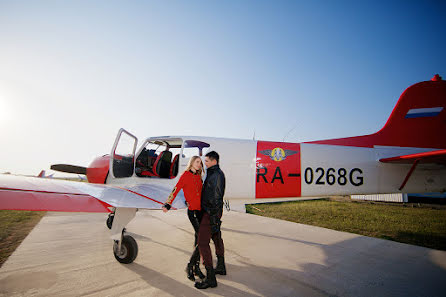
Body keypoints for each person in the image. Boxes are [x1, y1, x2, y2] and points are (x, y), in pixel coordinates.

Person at [162, 156, 205, 281]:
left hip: (201, 211)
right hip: (193, 212)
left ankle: (196, 268)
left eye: (200, 163)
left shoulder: (198, 176)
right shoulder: (185, 175)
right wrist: (168, 203)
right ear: (191, 162)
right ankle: (189, 266)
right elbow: (176, 190)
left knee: (198, 241)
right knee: (202, 239)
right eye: (197, 162)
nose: (199, 165)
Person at [195, 151, 226, 290]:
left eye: (206, 161)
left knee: (202, 242)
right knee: (216, 237)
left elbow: (216, 197)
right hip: (212, 212)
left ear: (214, 161)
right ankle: (221, 266)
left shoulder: (216, 175)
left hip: (210, 213)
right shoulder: (214, 173)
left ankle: (211, 278)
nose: (204, 163)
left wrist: (212, 217)